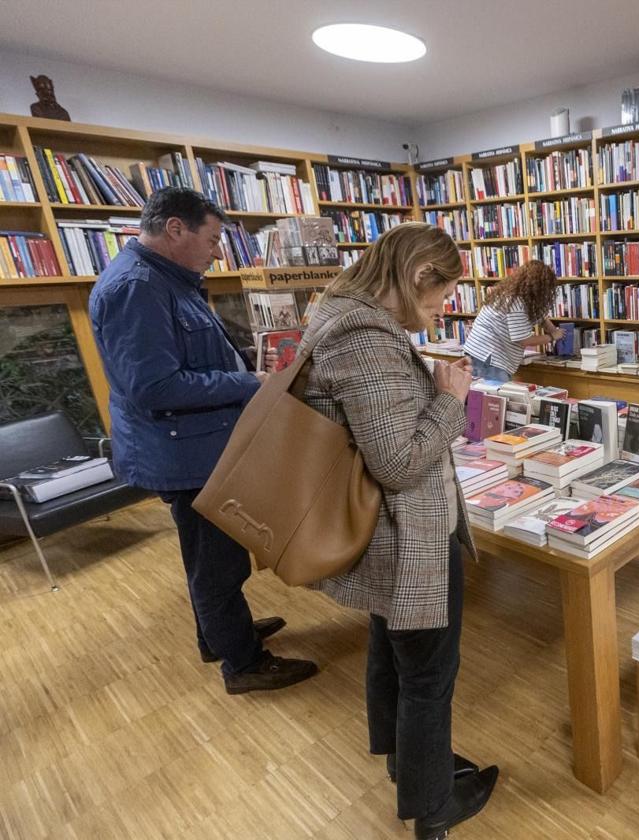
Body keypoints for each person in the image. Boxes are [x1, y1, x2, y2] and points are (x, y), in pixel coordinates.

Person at [301, 222, 498, 840]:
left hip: (385, 535)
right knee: (428, 674)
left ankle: (404, 760)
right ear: (416, 278)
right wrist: (450, 400)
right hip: (405, 538)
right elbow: (398, 463)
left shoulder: (344, 318)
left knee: (394, 646)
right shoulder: (363, 336)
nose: (441, 313)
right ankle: (432, 807)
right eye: (439, 298)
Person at [88, 187, 318, 693]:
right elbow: (154, 387)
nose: (218, 251)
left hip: (193, 447)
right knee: (218, 563)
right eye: (213, 239)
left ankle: (218, 637)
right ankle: (244, 664)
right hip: (183, 454)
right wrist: (247, 383)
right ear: (175, 229)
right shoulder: (136, 288)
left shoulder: (169, 280)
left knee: (206, 555)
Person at [462, 259, 563, 381]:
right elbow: (524, 340)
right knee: (494, 398)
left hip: (481, 354)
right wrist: (552, 337)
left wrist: (553, 329)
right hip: (489, 359)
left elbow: (540, 317)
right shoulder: (515, 302)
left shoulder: (515, 295)